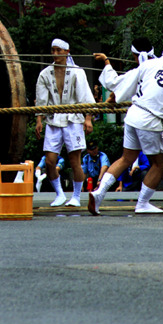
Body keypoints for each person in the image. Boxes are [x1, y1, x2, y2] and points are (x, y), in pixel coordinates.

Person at [88, 42, 163, 215]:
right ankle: (142, 203)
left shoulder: (148, 64)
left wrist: (114, 97)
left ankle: (99, 193)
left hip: (133, 115)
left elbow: (121, 84)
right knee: (159, 164)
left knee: (126, 158)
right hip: (152, 121)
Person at [34, 39, 95, 208]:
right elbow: (41, 99)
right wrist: (39, 119)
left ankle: (76, 196)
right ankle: (60, 194)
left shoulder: (77, 72)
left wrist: (88, 118)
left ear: (67, 52)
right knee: (49, 161)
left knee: (75, 160)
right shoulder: (45, 74)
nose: (55, 54)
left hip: (73, 119)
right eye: (52, 50)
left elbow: (86, 97)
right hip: (53, 120)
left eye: (58, 50)